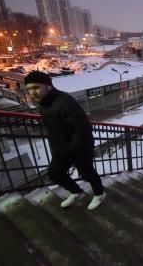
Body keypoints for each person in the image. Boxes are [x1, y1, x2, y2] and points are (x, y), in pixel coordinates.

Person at [24, 71, 105, 210]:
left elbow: (83, 128)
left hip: (79, 146)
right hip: (61, 147)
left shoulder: (65, 102)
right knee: (55, 173)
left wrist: (73, 150)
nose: (32, 92)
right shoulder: (44, 103)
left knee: (87, 173)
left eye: (36, 87)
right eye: (29, 89)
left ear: (48, 86)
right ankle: (77, 192)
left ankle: (99, 194)